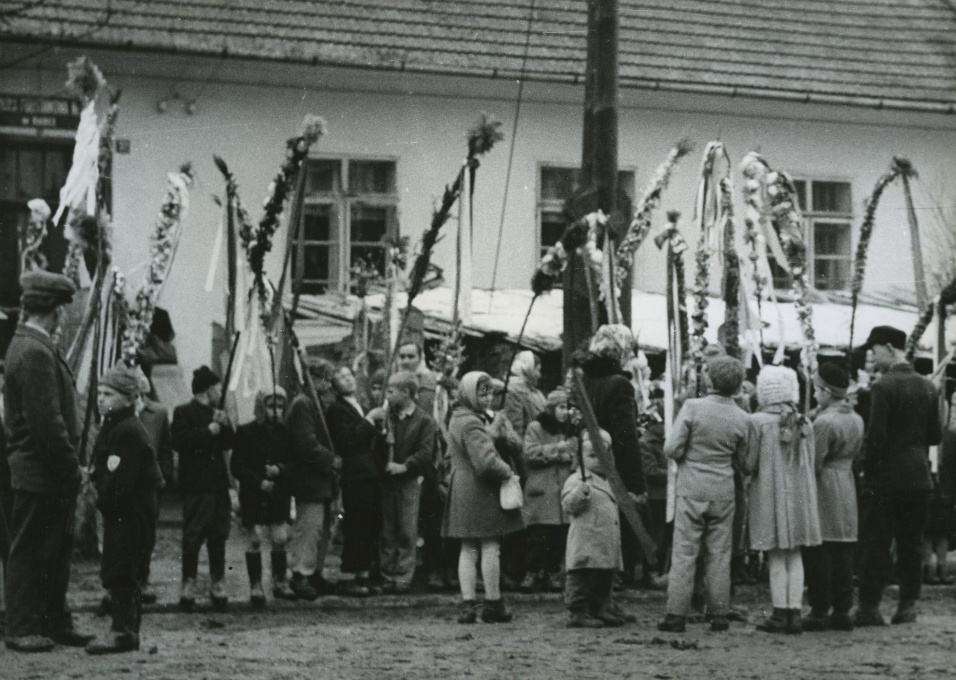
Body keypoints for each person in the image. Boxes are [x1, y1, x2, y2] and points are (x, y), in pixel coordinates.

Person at [3, 271, 93, 652]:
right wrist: (72, 471)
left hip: (45, 472)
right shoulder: (35, 352)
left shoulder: (31, 346)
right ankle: (22, 627)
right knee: (29, 552)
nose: (63, 317)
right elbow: (47, 426)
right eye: (62, 309)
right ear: (53, 311)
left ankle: (55, 620)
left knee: (55, 550)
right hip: (41, 471)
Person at [657, 356, 751, 634]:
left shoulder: (692, 407)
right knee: (720, 554)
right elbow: (745, 463)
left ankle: (676, 614)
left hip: (691, 488)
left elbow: (672, 449)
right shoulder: (742, 417)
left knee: (685, 552)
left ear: (708, 379)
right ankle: (719, 614)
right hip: (723, 490)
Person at [856, 326, 940, 626]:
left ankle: (869, 606)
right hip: (919, 477)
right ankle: (908, 605)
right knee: (911, 544)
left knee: (877, 543)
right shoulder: (928, 386)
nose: (871, 355)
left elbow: (876, 438)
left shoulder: (883, 386)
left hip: (886, 478)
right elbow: (934, 435)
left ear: (890, 349)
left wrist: (867, 470)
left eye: (875, 349)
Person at [87, 364, 159, 654]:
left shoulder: (127, 431)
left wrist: (98, 496)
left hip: (130, 512)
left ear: (129, 399)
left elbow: (119, 483)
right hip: (126, 510)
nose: (101, 399)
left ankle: (123, 631)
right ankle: (126, 630)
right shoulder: (115, 425)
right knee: (122, 566)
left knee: (123, 567)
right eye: (99, 393)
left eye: (109, 394)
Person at [443, 372, 525, 624]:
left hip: (463, 487)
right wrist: (509, 473)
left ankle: (469, 604)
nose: (489, 398)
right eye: (482, 393)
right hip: (480, 488)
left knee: (468, 547)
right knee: (490, 546)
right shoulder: (472, 422)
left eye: (491, 393)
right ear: (469, 394)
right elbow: (486, 462)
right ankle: (492, 602)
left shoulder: (459, 417)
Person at [745, 365, 821, 634]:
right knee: (795, 553)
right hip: (800, 495)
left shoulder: (757, 422)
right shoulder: (805, 422)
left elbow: (749, 463)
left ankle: (779, 613)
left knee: (776, 554)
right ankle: (794, 612)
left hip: (769, 494)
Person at [579, 324, 647, 582]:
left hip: (587, 463)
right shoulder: (619, 384)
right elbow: (625, 437)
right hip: (614, 467)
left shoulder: (584, 379)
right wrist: (636, 483)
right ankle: (620, 575)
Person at [802, 364, 863, 632]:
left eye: (816, 389)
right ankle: (842, 609)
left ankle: (819, 609)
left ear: (827, 391)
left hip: (825, 483)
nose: (815, 394)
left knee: (821, 548)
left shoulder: (824, 422)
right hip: (847, 482)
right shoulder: (856, 418)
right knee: (844, 549)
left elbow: (814, 462)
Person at [171, 366, 235, 611]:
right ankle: (188, 583)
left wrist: (226, 425)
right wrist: (208, 431)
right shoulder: (183, 412)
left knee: (218, 535)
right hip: (197, 486)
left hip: (218, 485)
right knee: (193, 536)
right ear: (209, 389)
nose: (220, 392)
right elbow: (179, 442)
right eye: (218, 388)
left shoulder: (218, 413)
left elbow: (229, 443)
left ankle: (217, 582)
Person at [368, 371, 438, 593]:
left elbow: (426, 452)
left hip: (409, 481)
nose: (387, 396)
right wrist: (378, 434)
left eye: (391, 391)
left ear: (406, 392)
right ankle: (387, 573)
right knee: (388, 528)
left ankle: (404, 576)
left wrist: (405, 466)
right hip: (387, 481)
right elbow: (374, 449)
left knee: (407, 529)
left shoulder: (425, 421)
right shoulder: (386, 418)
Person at [231, 387, 296, 607]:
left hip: (278, 494)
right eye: (271, 406)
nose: (276, 411)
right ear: (261, 407)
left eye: (280, 406)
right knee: (255, 539)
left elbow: (294, 461)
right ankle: (256, 584)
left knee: (279, 538)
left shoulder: (286, 432)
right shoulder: (246, 431)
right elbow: (237, 466)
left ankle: (279, 580)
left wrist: (280, 469)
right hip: (254, 495)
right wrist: (258, 481)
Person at [326, 365, 385, 596]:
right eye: (340, 377)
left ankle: (363, 574)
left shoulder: (361, 405)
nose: (346, 379)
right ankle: (349, 575)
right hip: (355, 474)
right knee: (357, 525)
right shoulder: (336, 410)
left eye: (348, 375)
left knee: (370, 524)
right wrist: (369, 421)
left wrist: (378, 430)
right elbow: (348, 441)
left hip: (370, 472)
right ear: (335, 385)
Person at [562, 428, 631, 628]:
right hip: (586, 540)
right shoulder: (576, 480)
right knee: (581, 579)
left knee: (603, 577)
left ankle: (601, 608)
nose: (598, 460)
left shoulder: (610, 480)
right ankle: (578, 612)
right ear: (581, 457)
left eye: (603, 455)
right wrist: (579, 494)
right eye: (592, 455)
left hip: (605, 539)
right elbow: (568, 506)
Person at [286, 361, 339, 601]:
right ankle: (300, 573)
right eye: (325, 380)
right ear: (313, 379)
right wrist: (331, 460)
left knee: (321, 529)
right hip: (309, 479)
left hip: (321, 479)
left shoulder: (316, 405)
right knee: (309, 527)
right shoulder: (303, 404)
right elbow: (305, 444)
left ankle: (314, 571)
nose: (328, 385)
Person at [521, 388, 575, 593]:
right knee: (538, 535)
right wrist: (556, 451)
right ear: (551, 409)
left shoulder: (571, 429)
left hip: (562, 490)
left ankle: (552, 572)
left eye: (567, 407)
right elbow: (529, 453)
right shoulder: (536, 427)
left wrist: (567, 455)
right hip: (542, 491)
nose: (565, 411)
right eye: (561, 407)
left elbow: (576, 451)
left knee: (559, 536)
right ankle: (532, 573)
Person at [134, 370, 173, 605]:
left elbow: (165, 448)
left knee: (146, 534)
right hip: (123, 484)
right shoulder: (116, 409)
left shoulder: (158, 413)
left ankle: (143, 579)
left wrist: (164, 475)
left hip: (149, 484)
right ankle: (120, 584)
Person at [924, 392, 956, 585]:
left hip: (944, 490)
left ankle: (940, 567)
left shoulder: (950, 437)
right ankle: (930, 567)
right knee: (929, 530)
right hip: (932, 488)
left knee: (941, 531)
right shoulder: (923, 434)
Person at [395, 341, 438, 417]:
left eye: (411, 356)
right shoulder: (397, 378)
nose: (406, 361)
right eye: (402, 356)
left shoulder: (427, 379)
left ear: (420, 358)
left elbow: (424, 414)